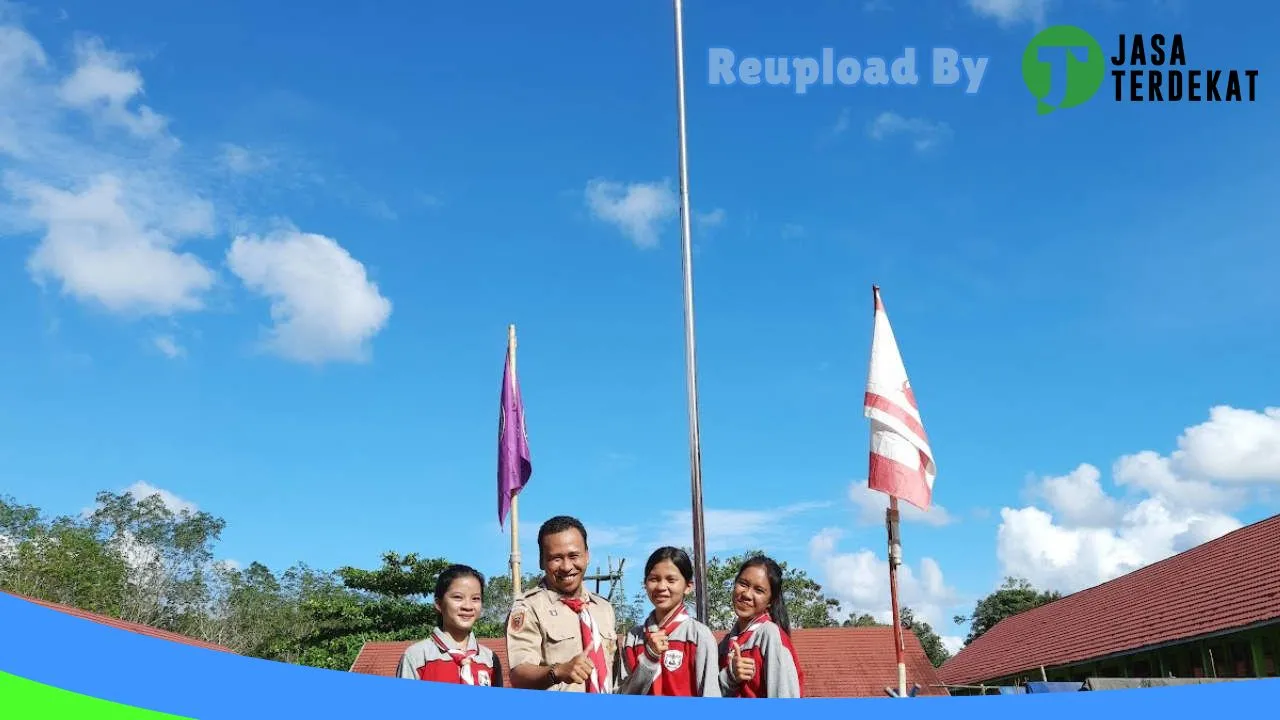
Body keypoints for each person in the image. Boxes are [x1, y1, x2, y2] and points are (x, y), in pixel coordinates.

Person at [505, 515, 618, 692]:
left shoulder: (604, 609)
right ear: (542, 561)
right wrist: (557, 672)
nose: (566, 566)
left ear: (587, 556)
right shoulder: (529, 608)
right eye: (556, 558)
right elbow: (519, 674)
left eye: (574, 556)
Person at [617, 547, 721, 697]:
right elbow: (623, 696)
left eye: (671, 580)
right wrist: (649, 658)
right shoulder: (634, 638)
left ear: (688, 587)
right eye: (654, 579)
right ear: (645, 583)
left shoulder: (698, 635)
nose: (661, 587)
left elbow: (710, 695)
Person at [396, 564, 503, 687]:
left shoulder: (490, 660)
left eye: (475, 598)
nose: (468, 606)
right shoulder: (417, 656)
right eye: (458, 597)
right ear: (439, 604)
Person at [717, 555, 805, 698]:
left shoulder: (770, 636)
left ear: (771, 601)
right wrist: (730, 675)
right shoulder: (725, 645)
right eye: (743, 584)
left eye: (758, 590)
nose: (746, 594)